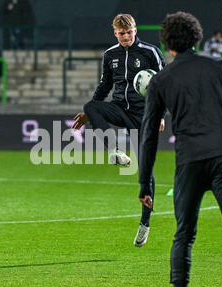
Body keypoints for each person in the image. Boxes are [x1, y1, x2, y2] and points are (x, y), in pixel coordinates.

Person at [138, 12, 222, 287]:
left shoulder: (161, 81)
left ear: (166, 43)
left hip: (189, 162)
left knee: (184, 234)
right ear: (196, 36)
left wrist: (144, 183)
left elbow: (149, 134)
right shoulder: (221, 66)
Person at [72, 13, 166, 247]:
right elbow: (105, 84)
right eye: (121, 33)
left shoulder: (150, 52)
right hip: (120, 109)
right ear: (115, 33)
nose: (125, 36)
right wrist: (89, 113)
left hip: (144, 116)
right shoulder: (110, 54)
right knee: (91, 105)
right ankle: (114, 151)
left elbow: (166, 84)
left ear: (135, 30)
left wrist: (161, 115)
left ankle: (145, 223)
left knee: (145, 172)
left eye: (129, 32)